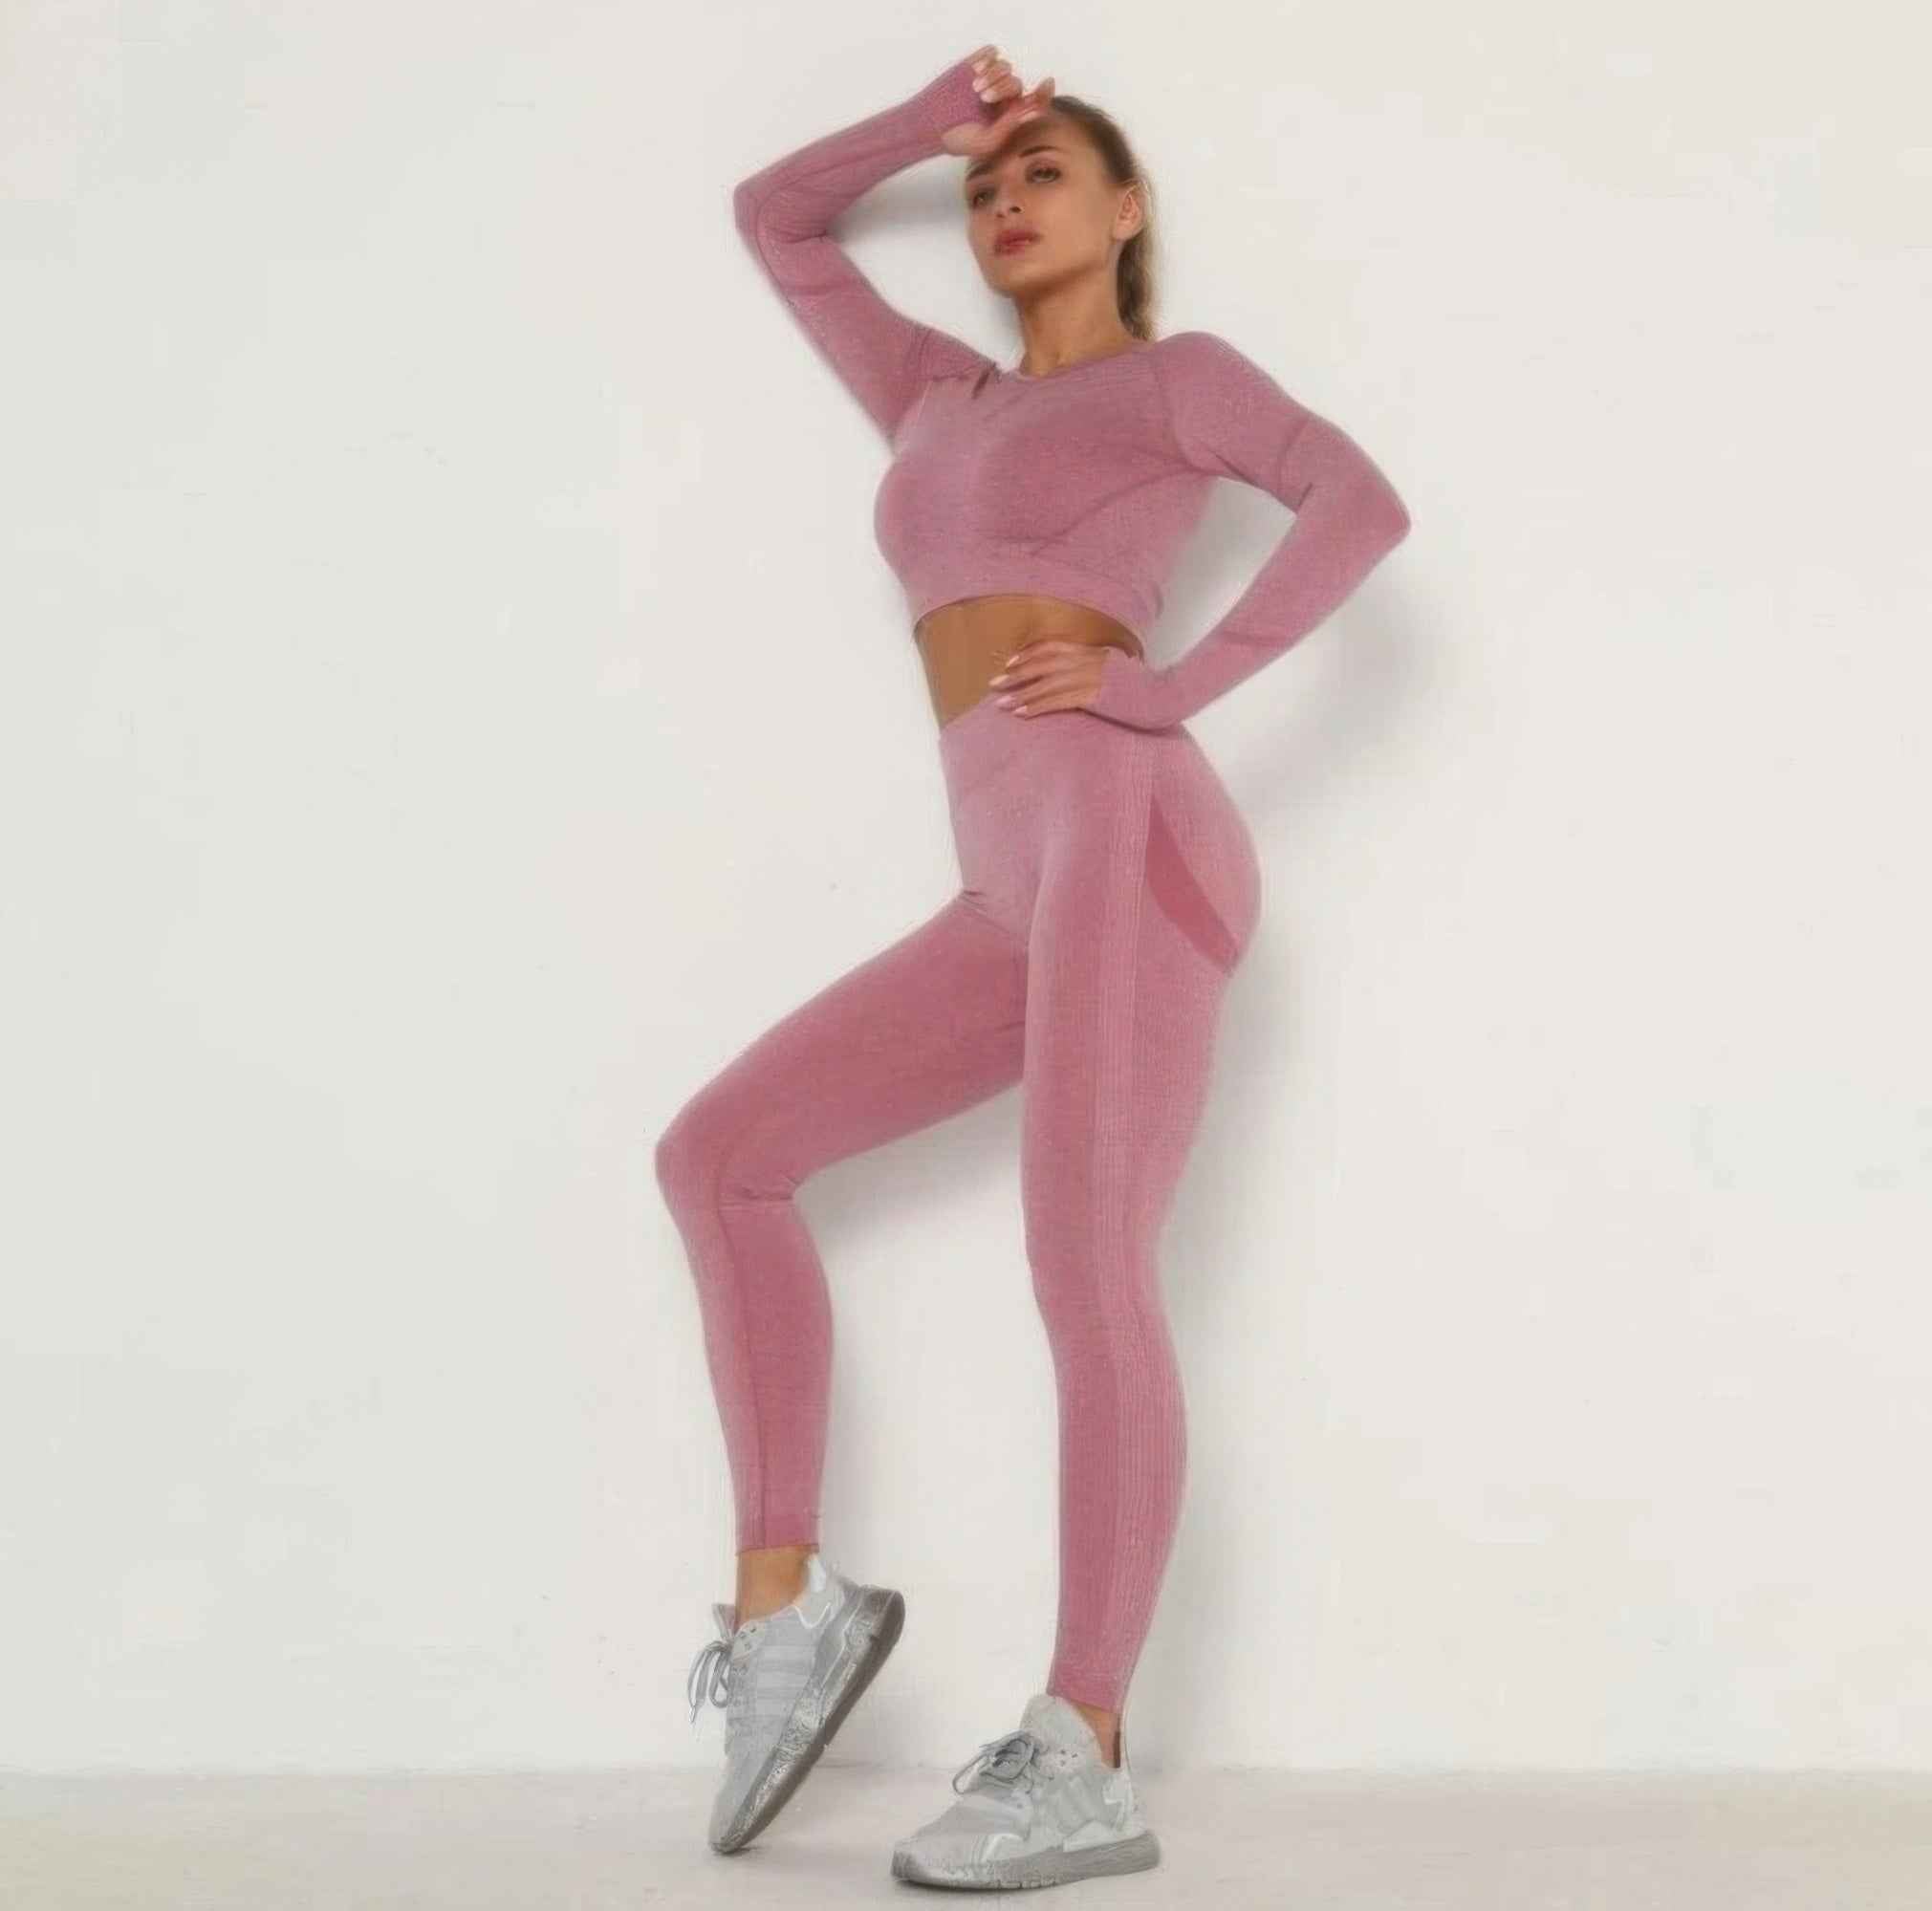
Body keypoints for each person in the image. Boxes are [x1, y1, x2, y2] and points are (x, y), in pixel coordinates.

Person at [660, 43, 1411, 1890]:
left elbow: (1357, 504)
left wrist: (1174, 686)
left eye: (1045, 172)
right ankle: (785, 1610)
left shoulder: (1180, 379)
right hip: (1003, 871)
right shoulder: (933, 393)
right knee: (722, 1155)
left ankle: (1082, 1748)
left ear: (1126, 209)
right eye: (987, 187)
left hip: (1125, 831)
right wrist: (927, 123)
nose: (1004, 201)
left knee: (1083, 1264)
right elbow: (776, 219)